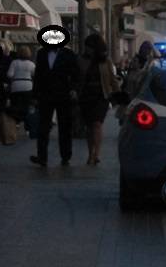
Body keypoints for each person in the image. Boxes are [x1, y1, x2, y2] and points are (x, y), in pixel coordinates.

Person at [31, 33, 80, 167]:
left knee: (65, 126)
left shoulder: (68, 54)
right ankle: (42, 157)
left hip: (63, 94)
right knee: (43, 126)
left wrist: (73, 89)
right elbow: (38, 76)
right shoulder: (41, 53)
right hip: (45, 94)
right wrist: (35, 95)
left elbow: (76, 73)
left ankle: (65, 155)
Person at [78, 34, 120, 167]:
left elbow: (113, 79)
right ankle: (91, 152)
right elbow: (76, 77)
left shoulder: (105, 61)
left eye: (90, 47)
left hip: (101, 96)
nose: (87, 49)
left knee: (97, 124)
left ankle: (96, 154)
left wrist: (118, 94)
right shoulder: (81, 60)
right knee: (89, 126)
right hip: (85, 96)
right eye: (86, 47)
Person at [6, 46, 37, 138]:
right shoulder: (31, 64)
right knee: (27, 106)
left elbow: (9, 74)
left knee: (15, 105)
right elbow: (35, 75)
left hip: (16, 86)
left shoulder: (14, 63)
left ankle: (16, 123)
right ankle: (27, 127)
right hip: (28, 85)